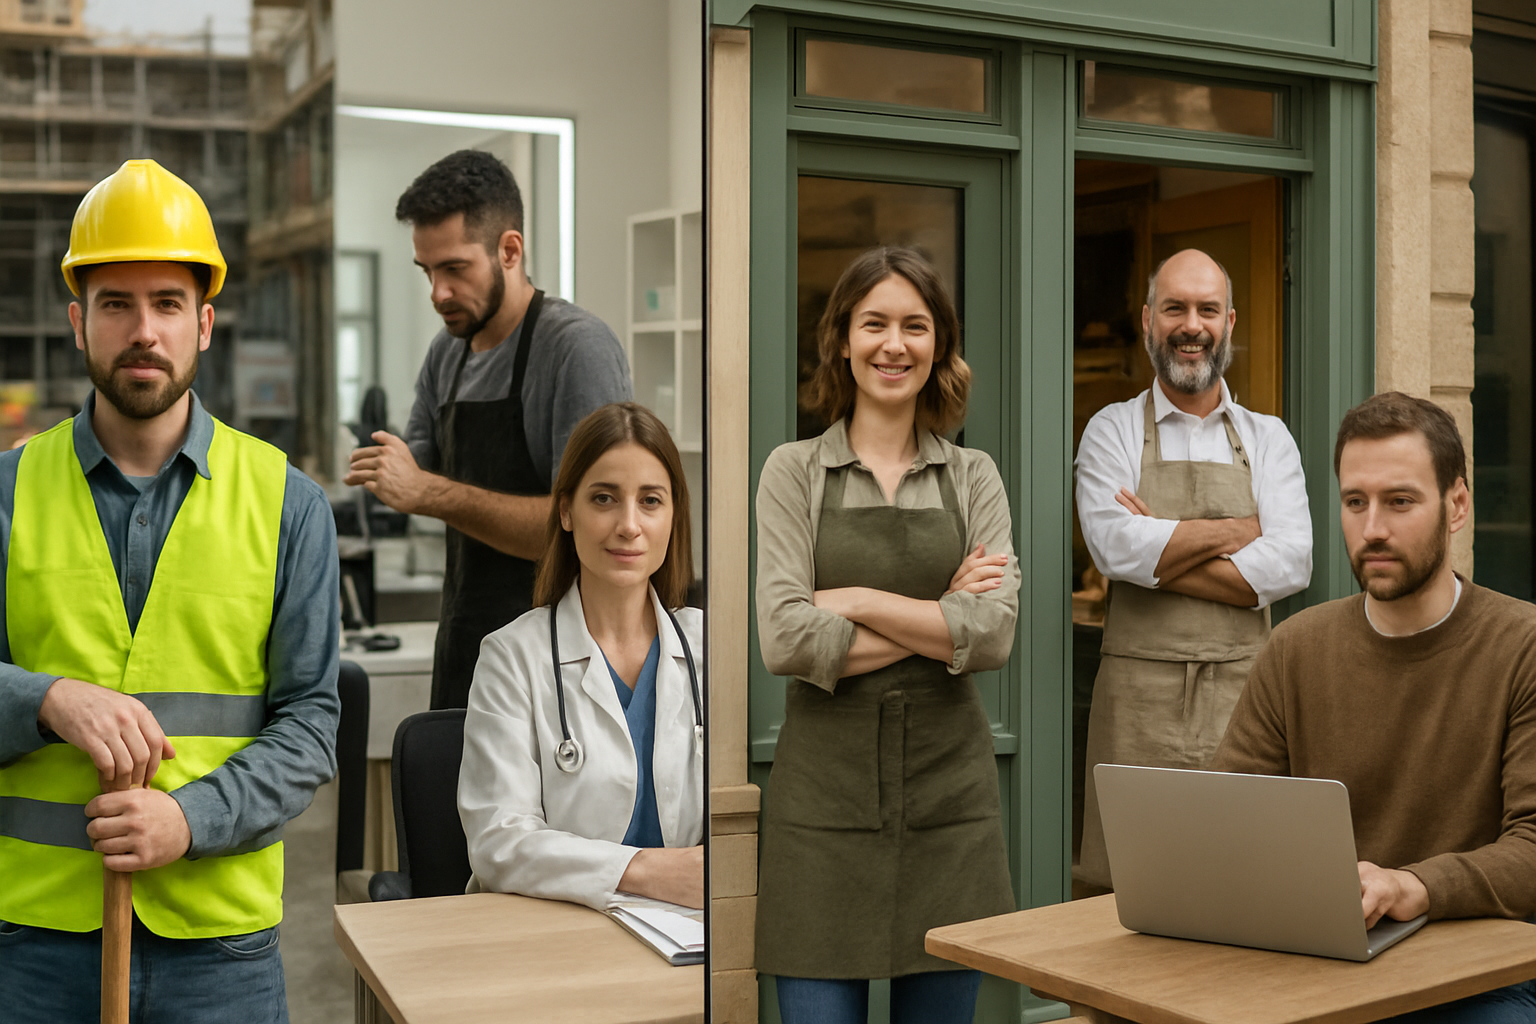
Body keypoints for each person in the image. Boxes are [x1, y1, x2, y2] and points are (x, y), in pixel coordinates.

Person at [0, 159, 339, 1022]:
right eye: (116, 303)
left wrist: (191, 820)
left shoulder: (288, 503)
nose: (143, 330)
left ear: (205, 324)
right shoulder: (7, 494)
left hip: (222, 952)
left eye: (168, 304)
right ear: (79, 322)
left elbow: (309, 724)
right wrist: (46, 700)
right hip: (34, 946)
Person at [754, 246, 1018, 1023]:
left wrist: (857, 599)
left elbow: (994, 636)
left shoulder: (974, 476)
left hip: (950, 810)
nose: (893, 345)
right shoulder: (793, 472)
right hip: (820, 813)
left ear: (939, 344)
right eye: (874, 324)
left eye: (915, 325)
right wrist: (941, 615)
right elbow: (784, 640)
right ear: (842, 339)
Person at [1212, 391, 1536, 1022]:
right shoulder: (1296, 647)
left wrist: (1412, 885)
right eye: (1355, 502)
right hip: (1321, 963)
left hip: (1477, 979)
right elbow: (1229, 819)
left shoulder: (1521, 645)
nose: (1373, 529)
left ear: (1457, 506)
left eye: (1400, 502)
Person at [345, 149, 631, 710]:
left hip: (562, 670)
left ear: (509, 250)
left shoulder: (576, 349)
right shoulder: (446, 353)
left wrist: (429, 492)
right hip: (466, 649)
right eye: (427, 271)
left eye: (455, 269)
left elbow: (592, 527)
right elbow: (414, 475)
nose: (437, 293)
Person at [1073, 247, 1312, 889]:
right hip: (1136, 704)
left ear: (1229, 322)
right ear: (1148, 320)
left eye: (1207, 309)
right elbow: (1112, 548)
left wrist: (1160, 546)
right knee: (1125, 889)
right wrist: (1240, 531)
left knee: (1243, 882)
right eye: (1174, 308)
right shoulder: (1110, 430)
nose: (1191, 326)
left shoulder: (1268, 437)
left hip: (1246, 699)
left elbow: (1292, 561)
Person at [458, 402, 703, 911]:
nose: (629, 525)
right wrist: (646, 871)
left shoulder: (712, 649)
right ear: (567, 511)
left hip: (686, 934)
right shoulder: (511, 657)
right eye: (604, 498)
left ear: (674, 515)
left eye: (651, 501)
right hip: (553, 929)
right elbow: (499, 841)